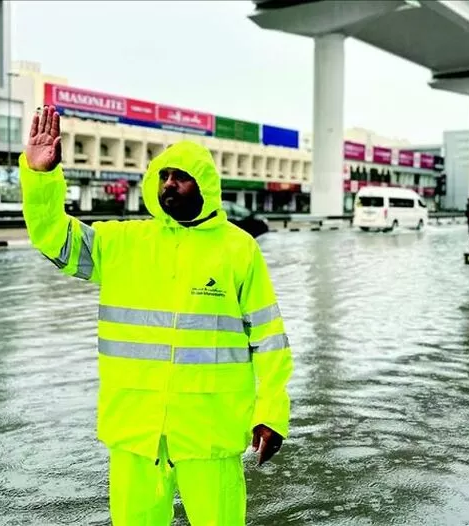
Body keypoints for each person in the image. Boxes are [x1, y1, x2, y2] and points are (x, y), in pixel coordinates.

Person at [20, 106, 293, 526]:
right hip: (135, 434)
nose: (170, 185)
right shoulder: (123, 243)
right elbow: (53, 237)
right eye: (163, 176)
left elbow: (269, 339)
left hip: (210, 433)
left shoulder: (239, 250)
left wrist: (271, 412)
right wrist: (41, 178)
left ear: (204, 184)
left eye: (180, 177)